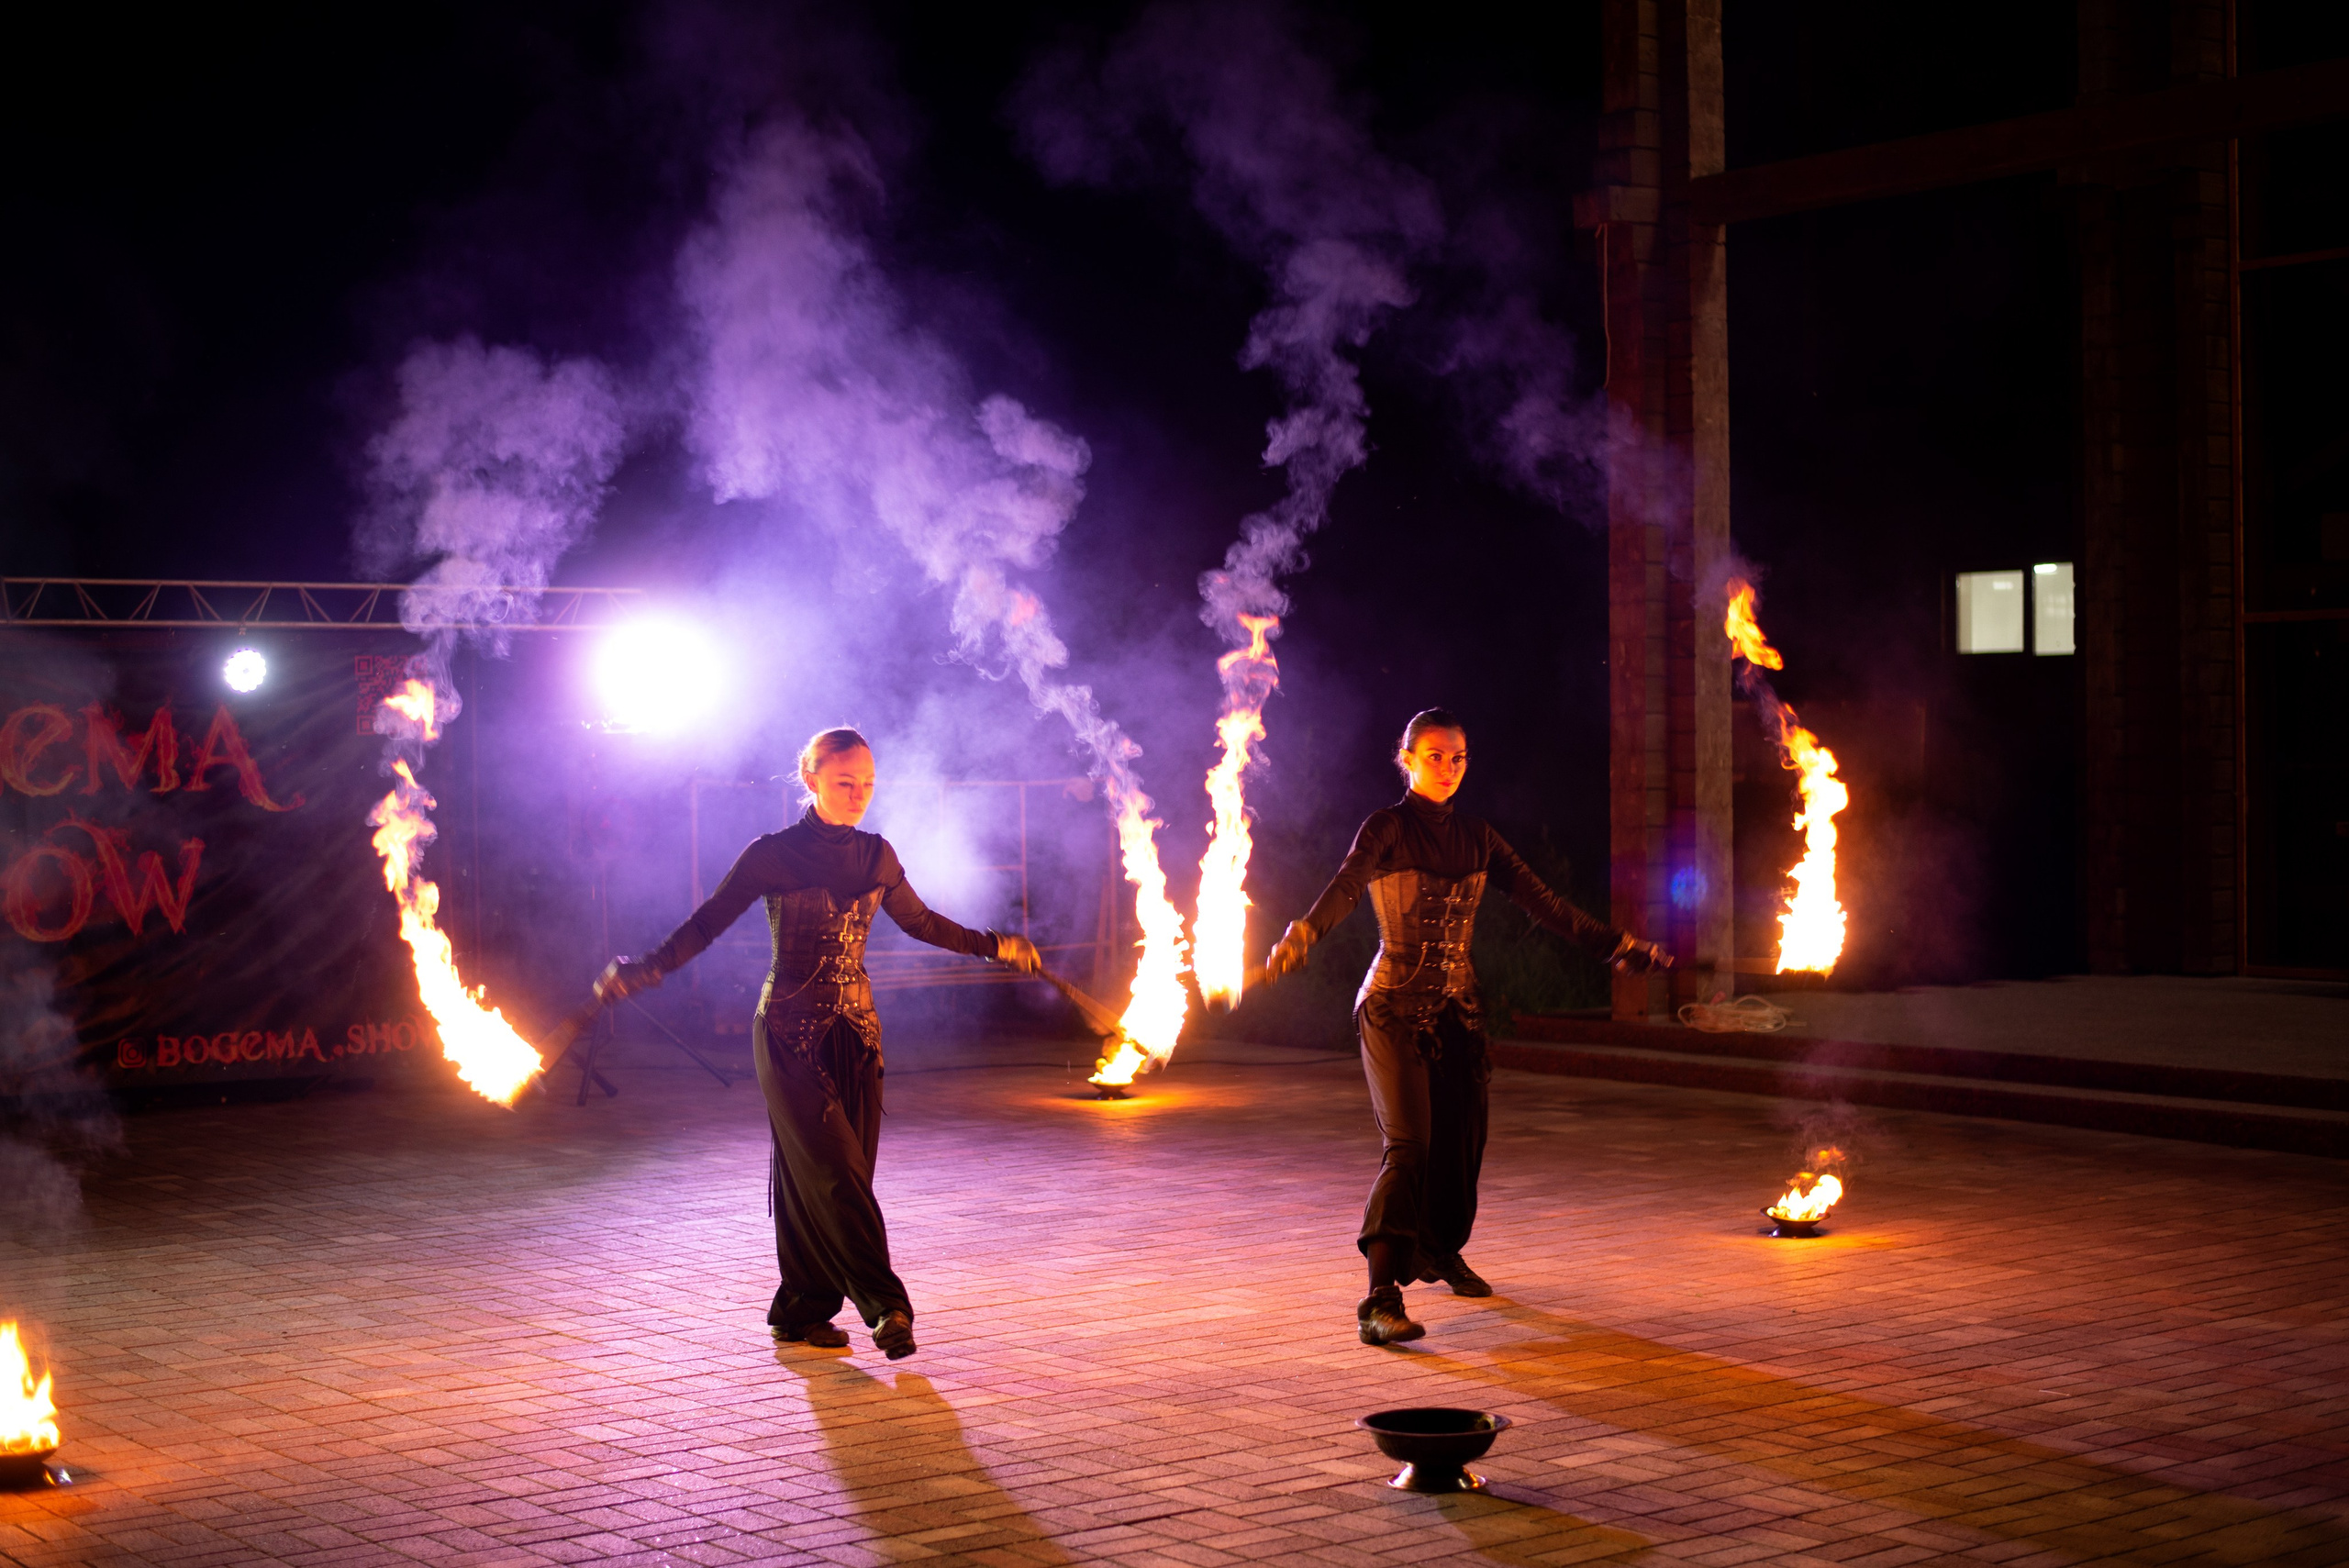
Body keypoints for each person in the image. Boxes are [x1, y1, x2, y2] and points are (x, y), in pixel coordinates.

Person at [596, 727, 1041, 1360]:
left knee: (833, 1175)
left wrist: (996, 944)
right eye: (844, 783)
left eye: (867, 784)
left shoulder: (877, 855)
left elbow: (920, 922)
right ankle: (887, 1307)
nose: (858, 795)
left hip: (857, 1036)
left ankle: (800, 1309)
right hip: (786, 1034)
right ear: (810, 780)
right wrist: (648, 967)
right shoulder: (770, 855)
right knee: (834, 1172)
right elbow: (706, 923)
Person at [1264, 708, 1670, 1346]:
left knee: (1461, 1146)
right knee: (1411, 1146)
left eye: (1458, 757)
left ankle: (1437, 1250)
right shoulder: (1388, 828)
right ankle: (1379, 1297)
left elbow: (1547, 903)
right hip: (1393, 1006)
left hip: (1459, 1013)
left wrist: (1617, 945)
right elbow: (1346, 884)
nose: (1448, 767)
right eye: (1434, 755)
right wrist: (1305, 931)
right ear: (1407, 759)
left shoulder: (1478, 836)